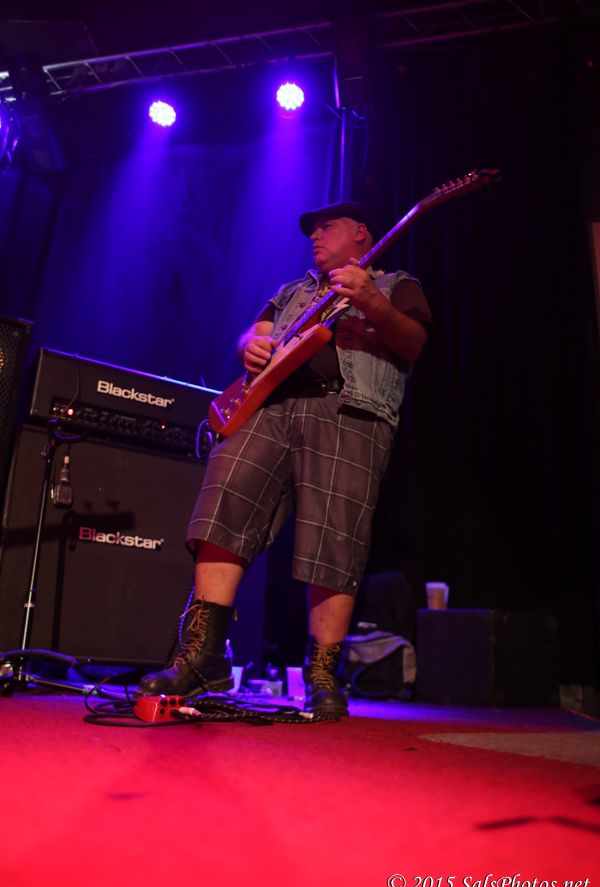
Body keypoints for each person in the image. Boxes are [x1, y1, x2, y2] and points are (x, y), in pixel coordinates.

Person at [138, 200, 432, 716]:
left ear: (361, 233)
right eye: (312, 230)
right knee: (223, 504)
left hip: (350, 410)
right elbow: (254, 334)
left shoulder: (397, 285)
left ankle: (322, 677)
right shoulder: (293, 291)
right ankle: (203, 656)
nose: (314, 236)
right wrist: (247, 346)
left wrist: (371, 302)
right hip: (269, 407)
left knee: (334, 539)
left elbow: (412, 343)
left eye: (327, 227)